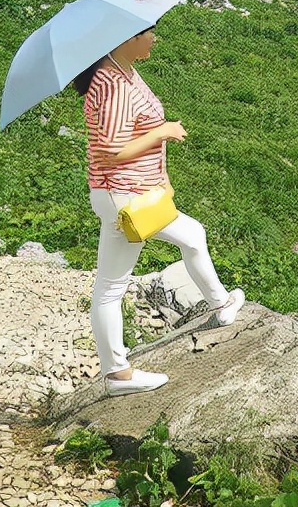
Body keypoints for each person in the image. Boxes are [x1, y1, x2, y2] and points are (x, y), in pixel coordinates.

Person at [73, 25, 244, 396]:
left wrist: (161, 178)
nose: (154, 39)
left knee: (191, 237)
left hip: (129, 191)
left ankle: (221, 305)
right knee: (111, 288)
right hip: (124, 196)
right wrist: (163, 131)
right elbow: (112, 151)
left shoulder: (121, 71)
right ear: (126, 38)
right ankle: (118, 375)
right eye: (148, 33)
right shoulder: (113, 84)